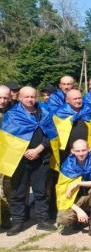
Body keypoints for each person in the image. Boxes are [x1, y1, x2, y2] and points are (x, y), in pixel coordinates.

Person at [2, 87, 57, 235]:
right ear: (19, 98)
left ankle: (43, 220)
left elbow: (52, 134)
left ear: (36, 97)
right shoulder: (11, 115)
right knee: (18, 192)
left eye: (32, 96)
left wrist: (38, 149)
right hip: (19, 160)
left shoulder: (45, 112)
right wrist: (23, 152)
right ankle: (18, 222)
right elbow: (7, 139)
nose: (30, 99)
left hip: (41, 158)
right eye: (26, 97)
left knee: (41, 191)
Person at [55, 140, 91, 236]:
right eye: (77, 151)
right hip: (75, 200)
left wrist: (78, 183)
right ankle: (77, 220)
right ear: (72, 151)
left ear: (89, 149)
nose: (81, 154)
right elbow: (61, 193)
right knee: (63, 219)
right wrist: (78, 210)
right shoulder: (67, 165)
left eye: (84, 150)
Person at [52, 88, 91, 160]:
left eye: (80, 98)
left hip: (87, 151)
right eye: (75, 99)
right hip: (67, 152)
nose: (78, 101)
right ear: (67, 100)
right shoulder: (59, 114)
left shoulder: (90, 111)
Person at [0, 85, 13, 228]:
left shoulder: (15, 112)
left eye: (5, 98)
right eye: (0, 98)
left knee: (7, 188)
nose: (2, 101)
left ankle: (6, 217)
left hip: (9, 157)